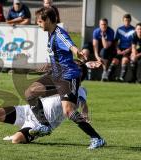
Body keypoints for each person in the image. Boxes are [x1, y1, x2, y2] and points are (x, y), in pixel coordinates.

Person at [24, 7, 104, 149]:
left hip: (68, 76)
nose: (38, 24)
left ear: (48, 20)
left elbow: (70, 45)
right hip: (55, 74)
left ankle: (97, 138)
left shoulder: (59, 33)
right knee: (30, 93)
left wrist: (77, 52)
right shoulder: (51, 33)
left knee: (69, 111)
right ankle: (44, 125)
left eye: (40, 21)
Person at [106, 14, 135, 82]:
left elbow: (134, 43)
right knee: (114, 61)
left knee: (124, 60)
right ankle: (107, 77)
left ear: (130, 21)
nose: (127, 22)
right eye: (125, 20)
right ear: (123, 21)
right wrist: (117, 49)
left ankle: (121, 78)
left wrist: (128, 50)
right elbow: (116, 41)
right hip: (120, 49)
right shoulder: (119, 29)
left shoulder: (134, 30)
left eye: (128, 20)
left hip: (129, 49)